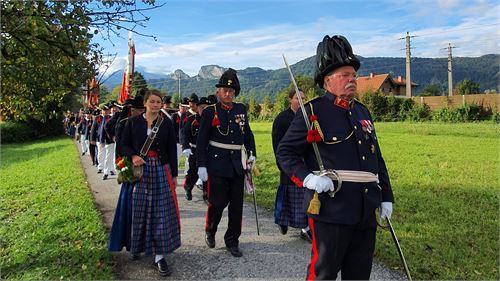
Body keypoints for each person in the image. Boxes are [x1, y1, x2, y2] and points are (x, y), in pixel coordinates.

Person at [277, 35, 394, 280]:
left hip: (365, 211)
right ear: (328, 80)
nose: (352, 79)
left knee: (359, 275)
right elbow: (285, 152)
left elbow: (377, 159)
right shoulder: (313, 111)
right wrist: (308, 178)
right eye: (345, 75)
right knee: (324, 274)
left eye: (353, 74)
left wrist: (386, 197)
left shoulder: (363, 111)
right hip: (332, 210)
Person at [196, 68, 256, 258]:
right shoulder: (209, 112)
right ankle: (210, 230)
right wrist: (201, 165)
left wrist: (252, 153)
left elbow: (248, 134)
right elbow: (201, 140)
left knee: (237, 206)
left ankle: (232, 240)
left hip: (237, 165)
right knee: (217, 203)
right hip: (216, 165)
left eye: (231, 91)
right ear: (218, 92)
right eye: (225, 90)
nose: (228, 93)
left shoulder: (240, 109)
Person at [121, 90, 180, 276]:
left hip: (161, 169)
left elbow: (171, 149)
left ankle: (159, 256)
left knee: (161, 210)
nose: (156, 105)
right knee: (139, 208)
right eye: (152, 101)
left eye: (158, 102)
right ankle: (136, 246)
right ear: (145, 103)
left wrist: (174, 174)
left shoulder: (166, 123)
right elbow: (123, 145)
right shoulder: (132, 122)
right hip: (140, 171)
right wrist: (134, 155)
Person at [272, 88, 312, 242]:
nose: (301, 101)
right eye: (297, 98)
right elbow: (277, 144)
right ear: (290, 99)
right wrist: (281, 164)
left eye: (303, 98)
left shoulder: (309, 117)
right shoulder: (282, 119)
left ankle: (304, 227)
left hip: (305, 163)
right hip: (287, 163)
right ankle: (282, 221)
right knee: (287, 196)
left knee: (305, 195)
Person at [108, 96, 145, 258]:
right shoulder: (124, 123)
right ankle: (131, 245)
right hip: (131, 170)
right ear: (133, 110)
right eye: (141, 109)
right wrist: (124, 169)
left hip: (147, 169)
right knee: (130, 209)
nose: (144, 112)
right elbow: (120, 150)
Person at [181, 96, 210, 202]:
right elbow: (184, 134)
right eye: (202, 107)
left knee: (207, 172)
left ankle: (206, 194)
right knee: (193, 173)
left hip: (208, 151)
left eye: (207, 108)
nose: (204, 110)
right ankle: (188, 188)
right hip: (195, 150)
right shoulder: (191, 120)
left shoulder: (212, 120)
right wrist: (186, 147)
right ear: (197, 108)